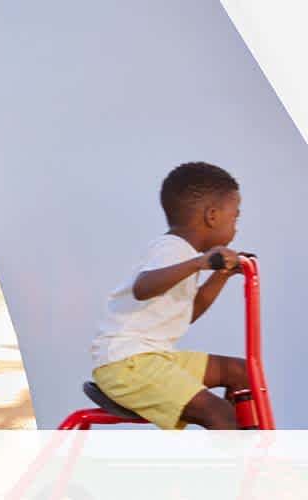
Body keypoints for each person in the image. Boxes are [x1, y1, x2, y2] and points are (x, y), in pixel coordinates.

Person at [91, 162, 249, 429]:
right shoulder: (172, 249)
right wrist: (201, 264)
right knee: (221, 415)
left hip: (153, 357)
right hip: (127, 363)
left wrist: (220, 274)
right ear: (212, 216)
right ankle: (239, 464)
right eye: (235, 217)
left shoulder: (185, 255)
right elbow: (143, 287)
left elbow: (189, 313)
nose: (236, 226)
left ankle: (246, 449)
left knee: (242, 373)